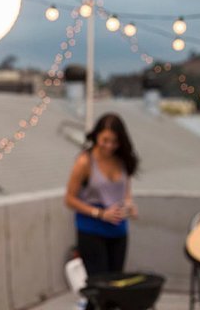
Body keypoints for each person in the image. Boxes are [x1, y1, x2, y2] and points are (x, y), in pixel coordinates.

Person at [65, 113, 139, 280]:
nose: (109, 146)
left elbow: (125, 191)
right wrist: (100, 213)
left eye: (114, 142)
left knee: (115, 283)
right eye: (105, 140)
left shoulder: (122, 160)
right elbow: (69, 199)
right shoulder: (85, 161)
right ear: (97, 136)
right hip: (91, 228)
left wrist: (129, 206)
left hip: (118, 229)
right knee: (100, 284)